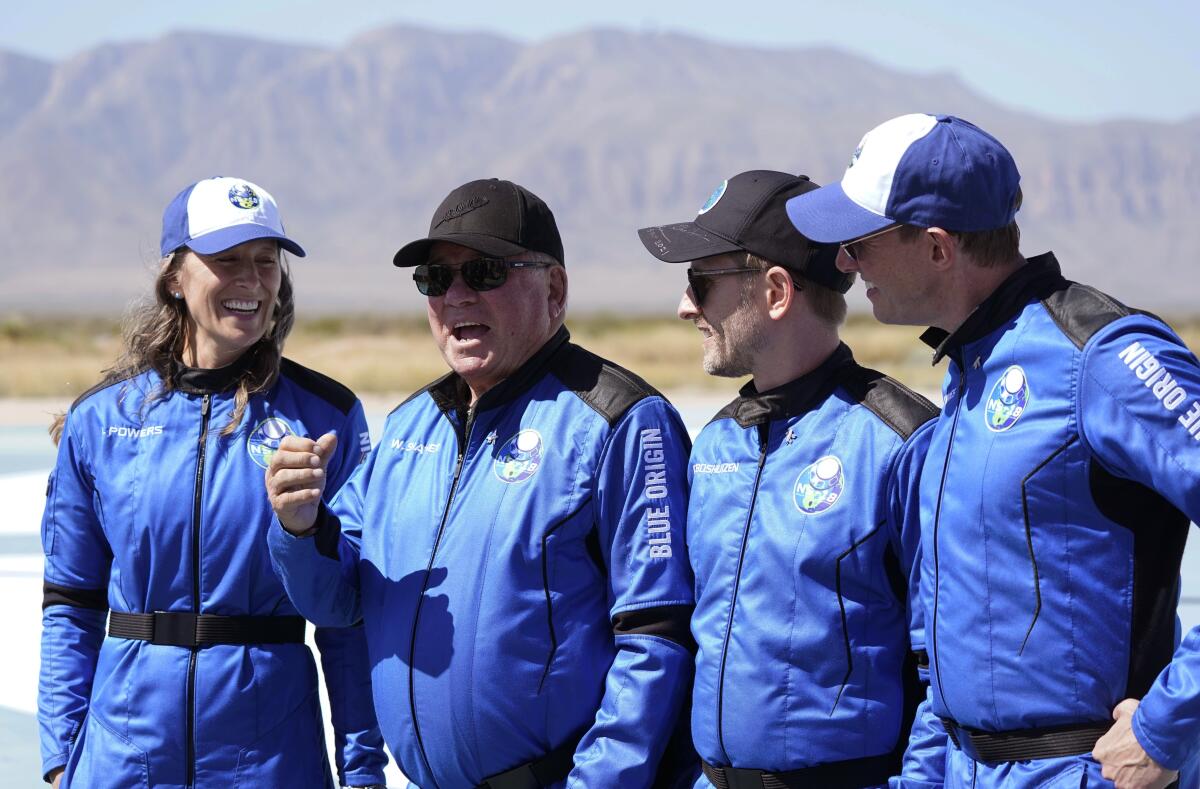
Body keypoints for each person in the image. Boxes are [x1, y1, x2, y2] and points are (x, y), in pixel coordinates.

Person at [787, 113, 1200, 789]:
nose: (843, 263)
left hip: (1084, 770)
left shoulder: (1101, 357)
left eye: (859, 242)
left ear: (938, 247)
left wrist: (1166, 726)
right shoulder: (969, 369)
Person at [265, 178, 696, 788]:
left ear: (555, 288)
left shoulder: (619, 422)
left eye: (486, 272)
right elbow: (336, 599)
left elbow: (657, 638)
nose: (457, 296)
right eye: (435, 280)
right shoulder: (413, 426)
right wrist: (300, 527)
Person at [38, 177, 388, 788]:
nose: (251, 280)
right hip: (122, 760)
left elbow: (349, 616)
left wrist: (360, 771)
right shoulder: (101, 420)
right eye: (226, 261)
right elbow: (71, 602)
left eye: (265, 261)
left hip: (270, 763)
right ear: (175, 277)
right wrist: (62, 760)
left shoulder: (325, 416)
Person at [639, 170, 944, 789]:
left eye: (702, 281)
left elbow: (946, 668)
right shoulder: (717, 442)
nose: (684, 306)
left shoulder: (905, 443)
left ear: (776, 291)